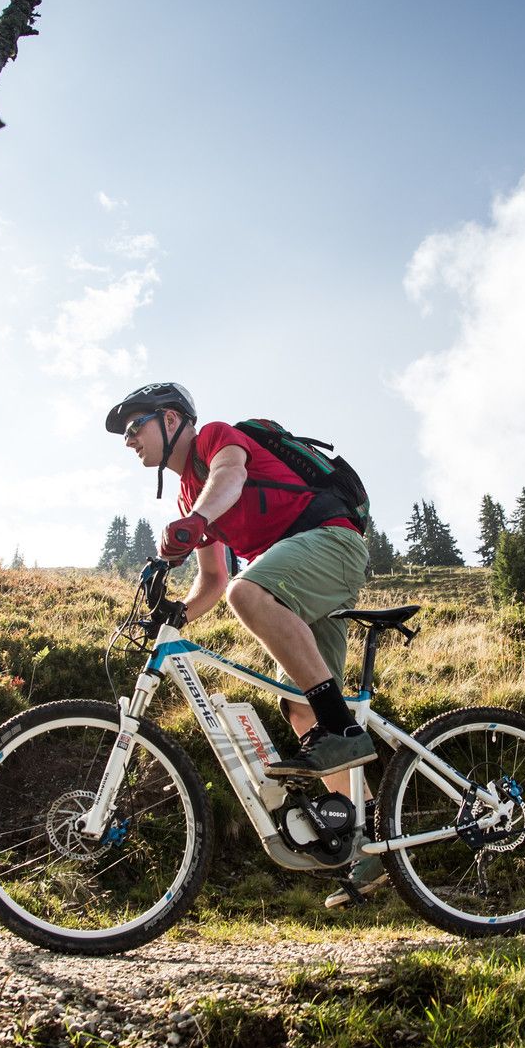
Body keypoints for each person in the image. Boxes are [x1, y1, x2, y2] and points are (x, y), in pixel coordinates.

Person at [107, 382, 386, 906]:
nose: (128, 441)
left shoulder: (216, 439)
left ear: (171, 422)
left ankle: (343, 727)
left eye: (133, 427)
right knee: (299, 707)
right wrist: (178, 613)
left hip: (332, 542)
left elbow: (231, 476)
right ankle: (371, 845)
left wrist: (197, 521)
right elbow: (211, 577)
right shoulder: (194, 495)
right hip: (300, 570)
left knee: (248, 591)